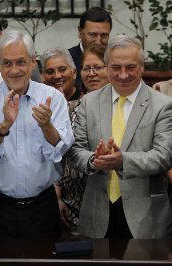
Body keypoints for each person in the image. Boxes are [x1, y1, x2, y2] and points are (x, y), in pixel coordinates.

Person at [0, 30, 74, 238]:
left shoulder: (52, 97)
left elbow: (63, 147)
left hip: (42, 206)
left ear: (33, 62)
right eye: (7, 63)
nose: (14, 70)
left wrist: (46, 126)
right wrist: (4, 125)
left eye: (21, 62)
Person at [67, 35, 172, 239]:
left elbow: (164, 155)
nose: (123, 75)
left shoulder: (162, 105)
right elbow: (74, 151)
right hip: (97, 215)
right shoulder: (89, 103)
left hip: (146, 218)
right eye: (116, 67)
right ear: (106, 67)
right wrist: (94, 160)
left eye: (130, 67)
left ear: (142, 66)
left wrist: (123, 160)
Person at [55, 45, 109, 235]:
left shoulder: (118, 109)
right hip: (71, 205)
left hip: (106, 202)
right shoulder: (68, 108)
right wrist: (57, 193)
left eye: (98, 67)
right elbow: (57, 154)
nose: (92, 73)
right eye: (87, 68)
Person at [68, 7, 112, 92]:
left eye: (104, 36)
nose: (98, 42)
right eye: (92, 35)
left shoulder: (115, 60)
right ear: (80, 32)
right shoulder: (66, 60)